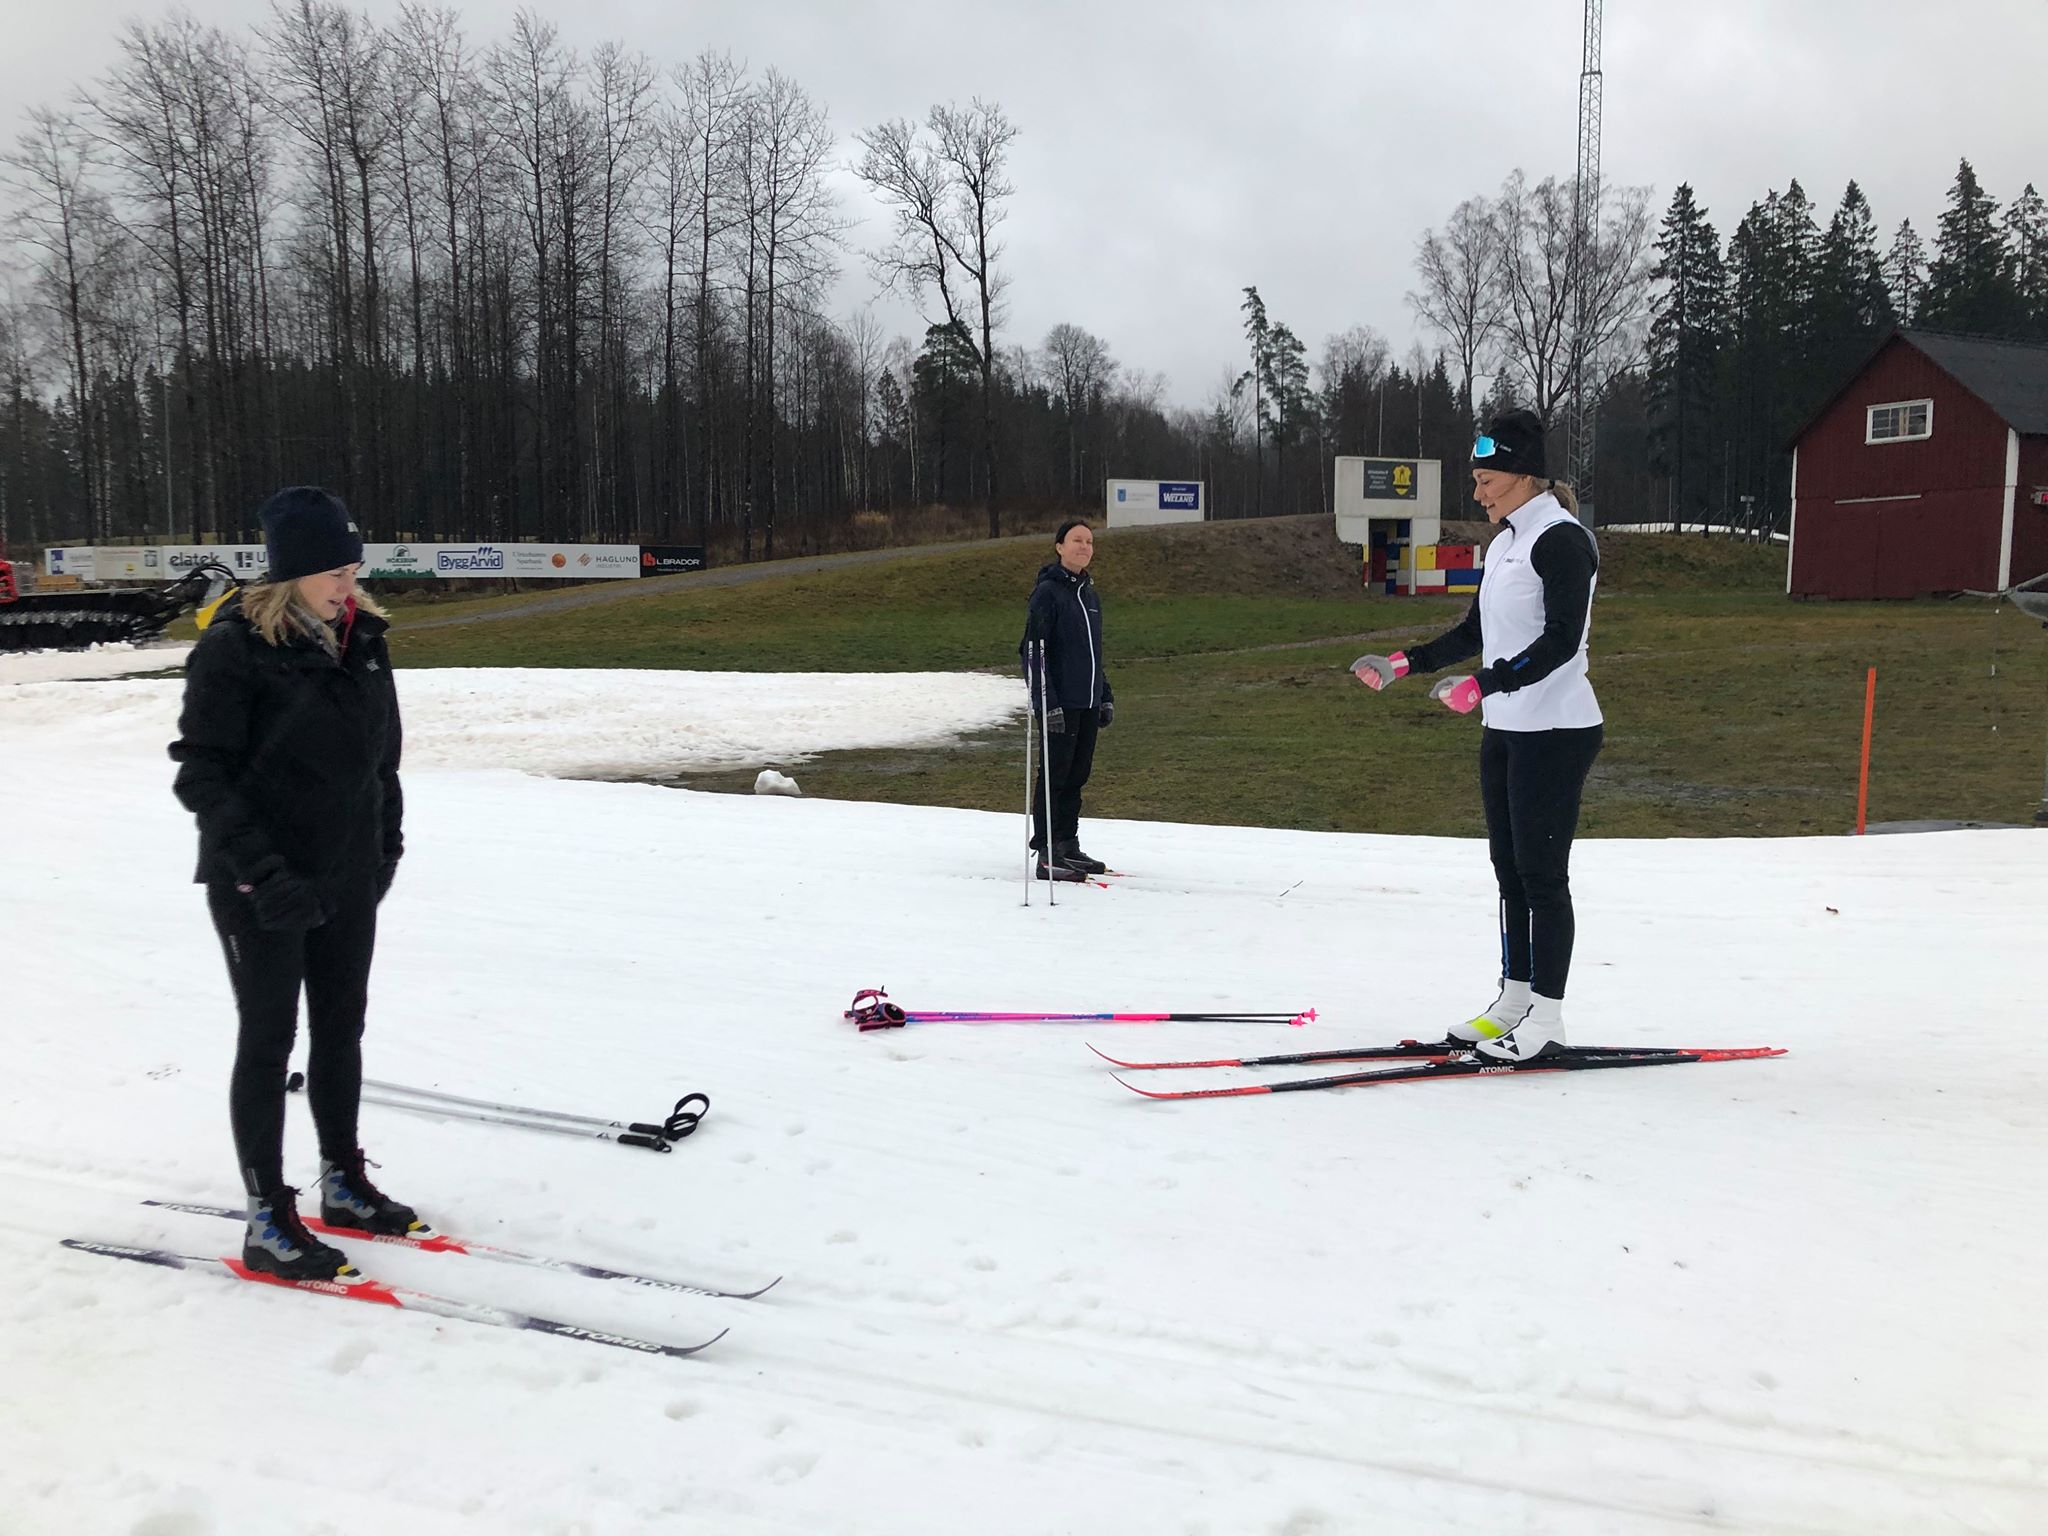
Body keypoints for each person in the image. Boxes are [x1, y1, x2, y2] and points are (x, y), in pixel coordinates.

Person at [170, 486, 421, 1282]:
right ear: (288, 575)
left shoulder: (365, 638)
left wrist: (385, 848)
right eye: (332, 574)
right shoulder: (235, 647)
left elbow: (382, 760)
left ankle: (342, 1183)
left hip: (347, 874)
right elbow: (202, 775)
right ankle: (266, 1219)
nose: (348, 585)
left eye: (353, 568)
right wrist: (265, 873)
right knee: (269, 1040)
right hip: (259, 884)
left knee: (341, 1029)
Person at [1349, 409, 1602, 1062]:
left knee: (1543, 877)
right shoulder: (1504, 543)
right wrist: (1403, 663)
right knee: (1509, 870)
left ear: (1521, 476)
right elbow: (1474, 632)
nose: (1478, 491)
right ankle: (1514, 1000)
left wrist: (1485, 686)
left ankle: (1548, 1020)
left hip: (1557, 729)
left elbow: (1560, 643)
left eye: (1486, 478)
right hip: (1508, 729)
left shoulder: (1561, 540)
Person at [1019, 519, 1115, 880]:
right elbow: (1032, 651)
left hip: (1087, 701)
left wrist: (1103, 694)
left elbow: (1094, 652)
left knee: (1077, 775)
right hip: (1060, 703)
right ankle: (1046, 851)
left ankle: (1066, 844)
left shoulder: (1089, 594)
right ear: (1059, 546)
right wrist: (1047, 702)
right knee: (1055, 775)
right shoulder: (1048, 593)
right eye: (1076, 540)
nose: (1084, 546)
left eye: (1089, 541)